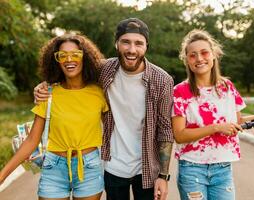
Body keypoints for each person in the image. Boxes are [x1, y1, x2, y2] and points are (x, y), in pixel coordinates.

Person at [33, 18, 174, 200]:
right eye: (125, 42)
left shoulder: (162, 80)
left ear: (146, 46)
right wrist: (44, 85)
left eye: (138, 43)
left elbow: (165, 130)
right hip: (113, 166)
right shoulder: (103, 69)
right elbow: (71, 69)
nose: (132, 49)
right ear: (116, 43)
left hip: (147, 168)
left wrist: (163, 176)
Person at [172, 29, 254, 200]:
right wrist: (216, 128)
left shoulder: (227, 87)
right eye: (192, 55)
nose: (199, 59)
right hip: (192, 169)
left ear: (214, 55)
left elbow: (237, 121)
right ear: (187, 60)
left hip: (222, 169)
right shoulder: (180, 91)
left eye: (204, 52)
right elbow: (179, 135)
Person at [0, 33, 108, 200]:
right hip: (54, 169)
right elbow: (31, 140)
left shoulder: (99, 92)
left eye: (75, 54)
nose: (69, 59)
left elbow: (112, 130)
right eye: (62, 55)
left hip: (89, 168)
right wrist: (3, 174)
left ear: (84, 58)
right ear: (56, 60)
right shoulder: (47, 93)